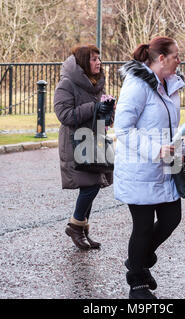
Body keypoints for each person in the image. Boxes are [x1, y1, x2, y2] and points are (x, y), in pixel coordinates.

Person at [114, 36, 185, 299]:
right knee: (143, 227)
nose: (180, 59)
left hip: (167, 167)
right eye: (176, 55)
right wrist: (155, 151)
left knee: (171, 218)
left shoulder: (172, 85)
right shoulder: (136, 85)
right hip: (140, 170)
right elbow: (122, 129)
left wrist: (182, 153)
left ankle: (138, 260)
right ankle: (137, 284)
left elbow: (171, 129)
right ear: (162, 58)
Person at [54, 45, 114, 250]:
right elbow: (64, 115)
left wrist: (107, 112)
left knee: (94, 183)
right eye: (94, 59)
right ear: (82, 62)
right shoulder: (67, 84)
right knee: (90, 186)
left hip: (95, 139)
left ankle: (82, 229)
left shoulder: (97, 83)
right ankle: (75, 225)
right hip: (75, 141)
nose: (99, 62)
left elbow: (103, 116)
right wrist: (94, 107)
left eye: (99, 58)